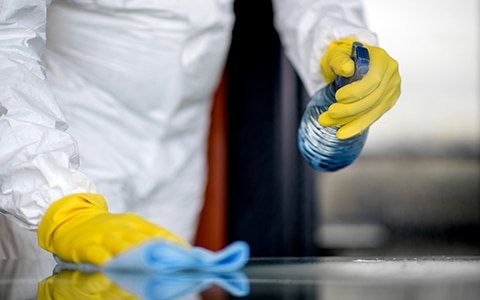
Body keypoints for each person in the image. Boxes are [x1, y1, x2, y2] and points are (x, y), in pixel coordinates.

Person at [0, 0, 400, 265]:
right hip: (63, 146)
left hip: (182, 151)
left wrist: (338, 39)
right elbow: (5, 39)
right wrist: (54, 200)